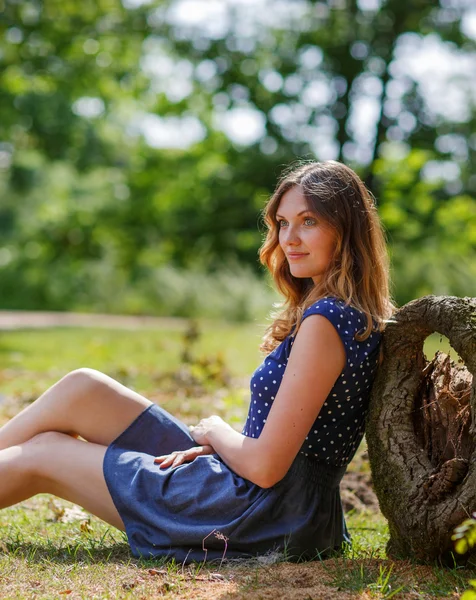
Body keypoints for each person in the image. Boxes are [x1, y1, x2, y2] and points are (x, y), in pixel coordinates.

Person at [0, 160, 394, 563]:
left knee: (43, 452)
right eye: (282, 222)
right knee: (83, 388)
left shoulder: (327, 321)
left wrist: (216, 432)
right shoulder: (345, 314)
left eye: (308, 221)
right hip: (275, 501)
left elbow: (265, 467)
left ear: (345, 230)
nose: (289, 238)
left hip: (261, 512)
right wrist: (221, 448)